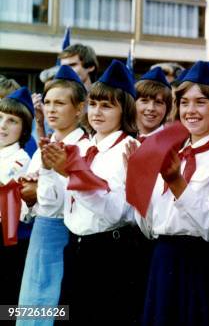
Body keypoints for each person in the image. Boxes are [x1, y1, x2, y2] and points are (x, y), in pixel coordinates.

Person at [127, 61, 209, 325]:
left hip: (200, 265)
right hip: (162, 258)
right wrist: (137, 182)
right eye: (185, 102)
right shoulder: (168, 153)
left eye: (201, 102)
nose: (190, 110)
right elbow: (149, 228)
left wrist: (177, 182)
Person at [44, 60, 140, 325]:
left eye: (108, 106)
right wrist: (48, 172)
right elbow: (58, 203)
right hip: (76, 246)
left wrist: (72, 175)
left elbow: (115, 211)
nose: (97, 112)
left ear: (125, 110)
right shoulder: (85, 146)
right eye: (94, 104)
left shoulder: (129, 149)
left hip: (109, 251)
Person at [17, 66, 88, 326]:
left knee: (55, 305)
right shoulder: (42, 148)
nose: (51, 109)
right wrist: (27, 197)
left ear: (79, 109)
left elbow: (68, 198)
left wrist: (41, 189)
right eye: (47, 103)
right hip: (40, 233)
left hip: (65, 235)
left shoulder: (84, 147)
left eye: (60, 103)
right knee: (32, 302)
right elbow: (31, 206)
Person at [0, 87, 33, 304]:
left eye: (12, 121)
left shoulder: (20, 159)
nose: (3, 125)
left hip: (7, 239)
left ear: (23, 130)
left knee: (6, 303)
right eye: (1, 117)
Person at [135, 67, 173, 140]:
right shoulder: (120, 139)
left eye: (158, 102)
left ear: (167, 108)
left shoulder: (173, 144)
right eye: (144, 101)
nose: (151, 108)